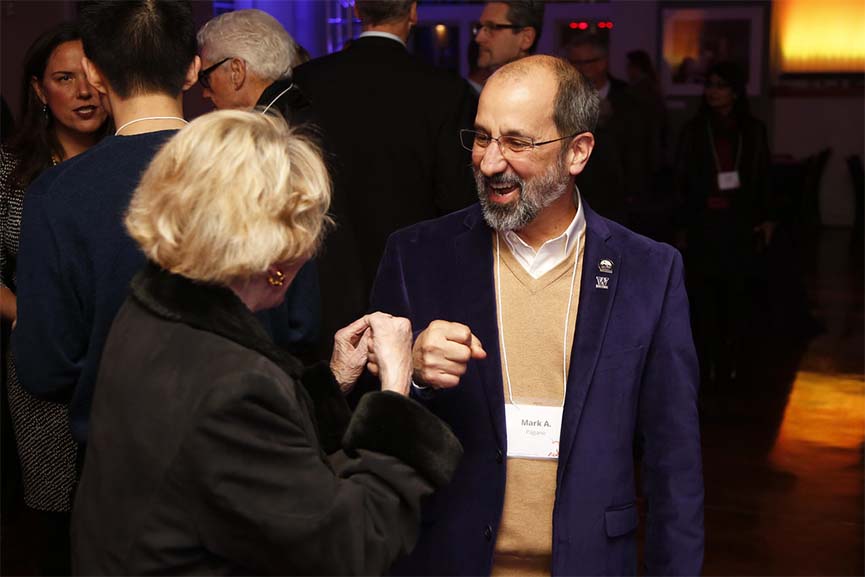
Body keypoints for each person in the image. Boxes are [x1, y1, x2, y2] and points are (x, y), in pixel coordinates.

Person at [71, 109, 462, 575]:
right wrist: (396, 393)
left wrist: (333, 381)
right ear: (277, 253)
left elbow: (245, 463)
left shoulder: (150, 308)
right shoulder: (231, 385)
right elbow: (354, 546)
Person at [371, 55, 704, 576]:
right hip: (447, 560)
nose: (489, 162)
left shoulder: (649, 272)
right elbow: (365, 438)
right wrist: (410, 374)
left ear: (578, 152)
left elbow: (673, 460)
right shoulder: (417, 256)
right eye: (481, 138)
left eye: (517, 143)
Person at [13, 0, 201, 449]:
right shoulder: (262, 170)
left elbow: (44, 366)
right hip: (250, 449)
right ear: (194, 70)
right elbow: (300, 328)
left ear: (95, 75)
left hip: (120, 456)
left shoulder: (58, 193)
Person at [293, 0, 478, 357]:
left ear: (357, 11)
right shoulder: (444, 90)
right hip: (413, 282)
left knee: (328, 402)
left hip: (323, 281)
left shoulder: (307, 82)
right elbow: (457, 200)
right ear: (413, 13)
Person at [1, 22, 109, 574]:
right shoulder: (9, 172)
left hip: (122, 364)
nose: (85, 92)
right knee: (54, 522)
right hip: (43, 372)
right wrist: (36, 313)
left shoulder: (131, 161)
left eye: (92, 76)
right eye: (65, 79)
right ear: (41, 90)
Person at [196, 8, 321, 359]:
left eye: (207, 78)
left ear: (236, 71)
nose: (206, 94)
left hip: (290, 341)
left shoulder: (263, 141)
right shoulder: (310, 108)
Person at [674, 61, 773, 388]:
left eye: (720, 85)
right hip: (705, 223)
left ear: (734, 91)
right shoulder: (694, 129)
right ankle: (709, 363)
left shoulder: (752, 129)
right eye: (710, 85)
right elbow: (683, 178)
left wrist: (765, 218)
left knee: (738, 294)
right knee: (704, 296)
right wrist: (684, 224)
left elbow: (763, 176)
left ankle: (735, 363)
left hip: (739, 223)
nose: (713, 92)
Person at [566, 34, 648, 226]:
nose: (578, 69)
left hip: (620, 202)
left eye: (585, 62)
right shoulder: (562, 98)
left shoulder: (629, 99)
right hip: (574, 198)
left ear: (603, 63)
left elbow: (641, 151)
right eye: (573, 62)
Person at [473, 1, 545, 76]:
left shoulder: (543, 86)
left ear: (526, 38)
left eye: (492, 27)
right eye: (479, 27)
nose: (478, 38)